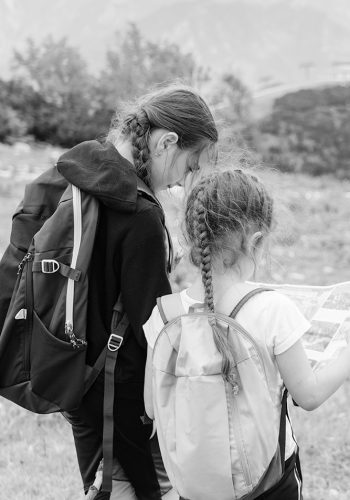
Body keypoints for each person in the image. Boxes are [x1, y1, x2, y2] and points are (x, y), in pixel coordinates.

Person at [143, 168, 350, 500]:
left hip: (194, 486)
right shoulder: (271, 308)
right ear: (256, 242)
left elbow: (152, 409)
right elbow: (308, 395)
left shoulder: (164, 315)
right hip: (267, 483)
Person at [59, 85, 218, 500]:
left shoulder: (84, 169)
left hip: (74, 373)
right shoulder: (142, 214)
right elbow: (156, 334)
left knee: (100, 485)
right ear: (166, 142)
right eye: (189, 164)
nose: (185, 179)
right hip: (119, 399)